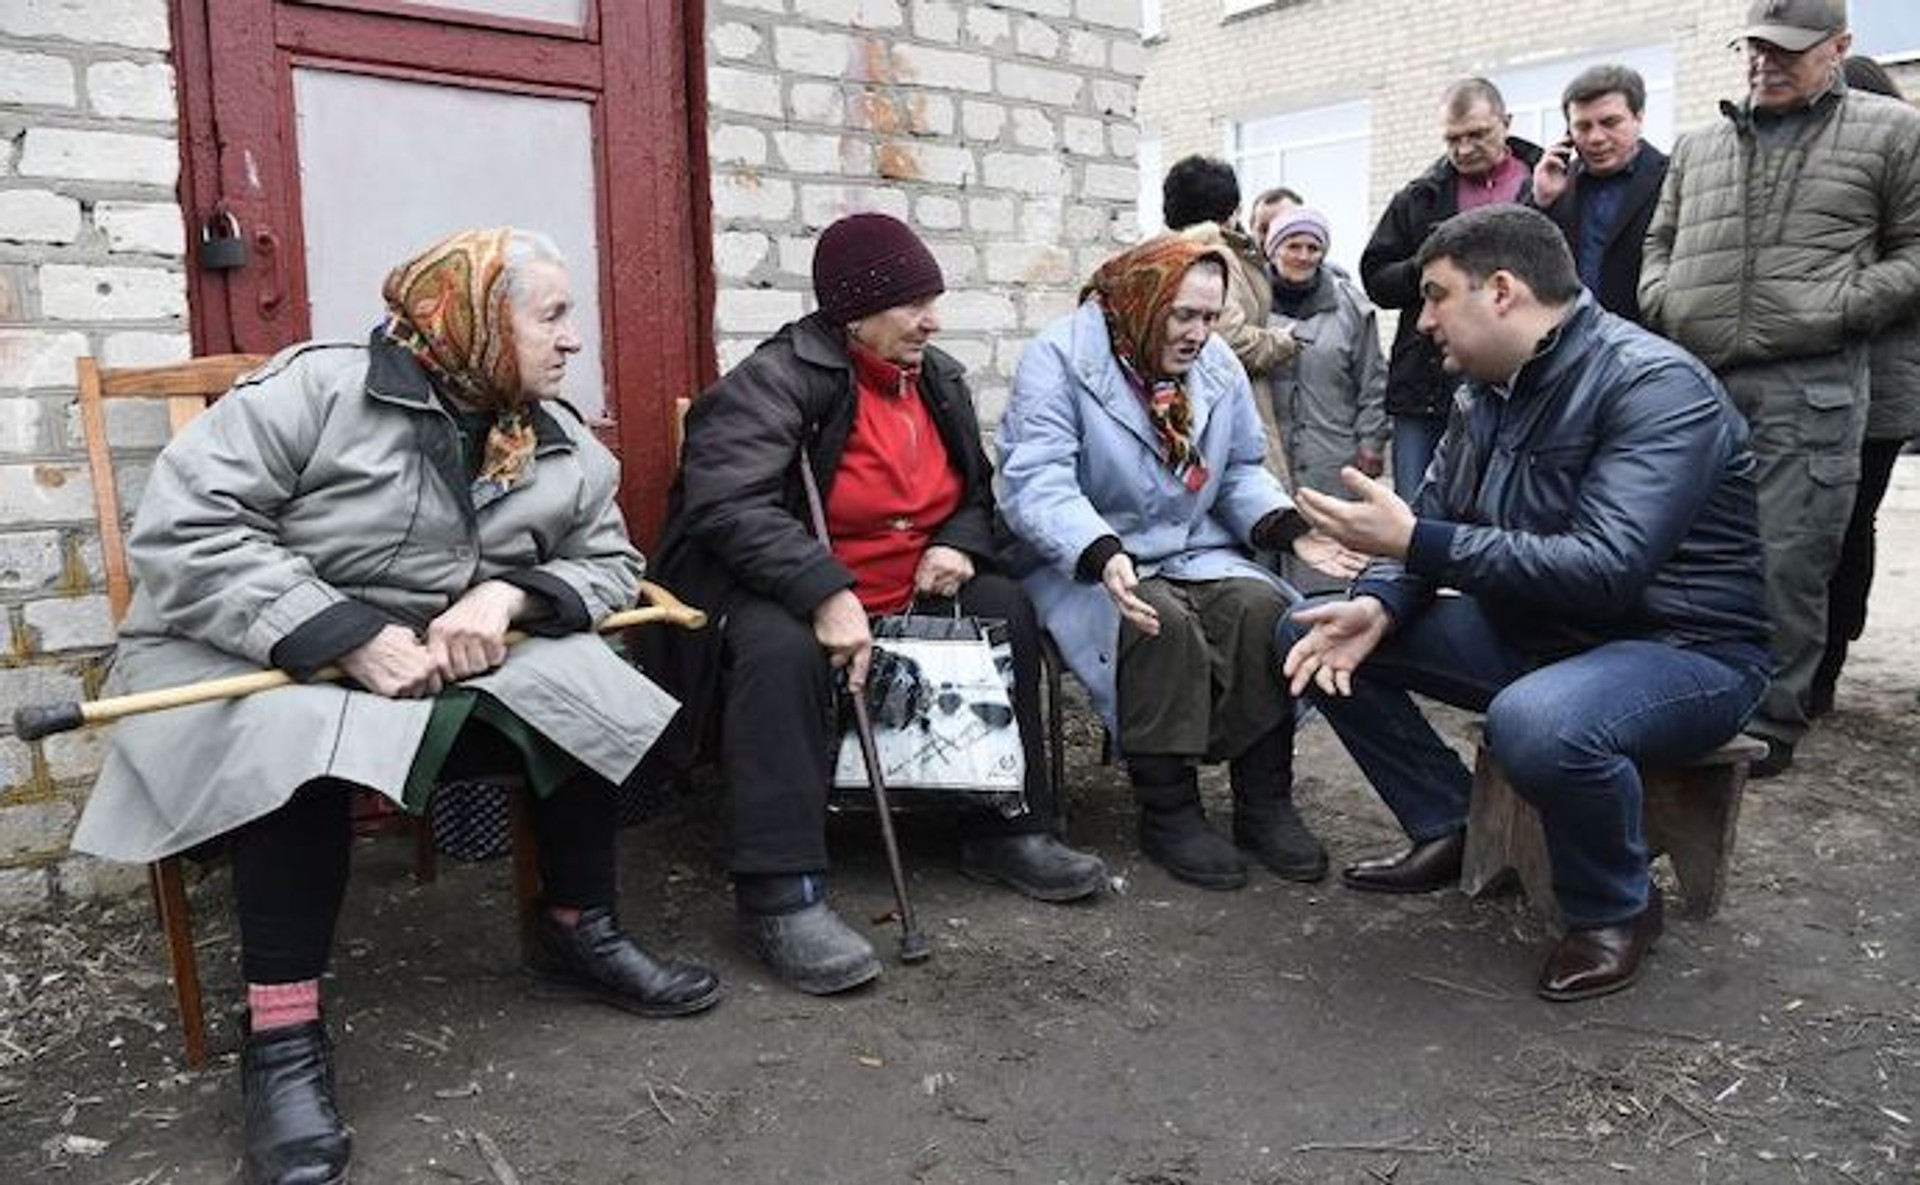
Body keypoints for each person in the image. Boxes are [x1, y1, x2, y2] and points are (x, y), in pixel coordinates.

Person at [70, 228, 721, 1185]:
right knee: (300, 741)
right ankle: (283, 1035)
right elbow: (191, 530)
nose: (574, 339)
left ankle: (578, 928)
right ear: (469, 319)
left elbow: (610, 560)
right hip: (257, 653)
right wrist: (339, 631)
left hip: (438, 666)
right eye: (551, 315)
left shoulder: (553, 435)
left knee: (588, 681)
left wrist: (513, 597)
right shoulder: (315, 391)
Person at [1280, 205, 1770, 1002]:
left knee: (1539, 722)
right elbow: (1429, 523)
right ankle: (1450, 824)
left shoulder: (1656, 385)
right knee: (1310, 634)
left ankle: (1616, 907)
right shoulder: (1484, 394)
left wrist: (1413, 548)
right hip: (1542, 631)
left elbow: (1606, 568)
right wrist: (1379, 602)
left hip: (1685, 650)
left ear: (1501, 290)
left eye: (1437, 296)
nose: (1424, 320)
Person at [639, 212, 1106, 997]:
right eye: (912, 302)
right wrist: (824, 589)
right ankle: (779, 888)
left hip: (908, 578)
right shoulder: (775, 380)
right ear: (854, 309)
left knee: (1006, 603)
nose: (933, 318)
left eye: (934, 298)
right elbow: (727, 506)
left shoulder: (941, 379)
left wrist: (958, 541)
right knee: (779, 646)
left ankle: (1005, 825)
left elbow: (975, 490)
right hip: (778, 584)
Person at [997, 235, 1362, 892]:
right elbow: (1037, 481)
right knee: (1157, 621)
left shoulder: (1215, 364)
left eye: (1210, 316)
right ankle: (1169, 811)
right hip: (1085, 555)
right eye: (1183, 315)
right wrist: (1100, 550)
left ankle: (1265, 803)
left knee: (1268, 611)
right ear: (1142, 300)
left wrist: (1289, 528)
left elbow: (1240, 470)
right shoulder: (1061, 357)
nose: (1199, 334)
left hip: (1191, 548)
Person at [1640, 0, 1920, 776]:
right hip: (1699, 379)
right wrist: (1666, 300)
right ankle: (1686, 694)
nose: (1767, 61)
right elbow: (1658, 241)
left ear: (1841, 49)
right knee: (1689, 548)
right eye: (1756, 47)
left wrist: (1838, 308)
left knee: (1789, 557)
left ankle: (1770, 719)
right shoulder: (1698, 145)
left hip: (1813, 382)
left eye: (1788, 51)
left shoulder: (1891, 133)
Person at [1361, 77, 1541, 498]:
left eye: (1477, 134)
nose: (1463, 149)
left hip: (1519, 378)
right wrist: (1426, 265)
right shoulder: (1420, 198)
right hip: (1427, 384)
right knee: (1415, 514)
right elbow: (1376, 278)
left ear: (1506, 122)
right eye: (1452, 139)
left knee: (1499, 508)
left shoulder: (1545, 184)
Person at [1812, 56, 1920, 716]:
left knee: (1847, 524)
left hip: (1879, 387)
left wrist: (1838, 294)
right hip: (1825, 379)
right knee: (1820, 524)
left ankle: (1827, 660)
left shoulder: (1899, 164)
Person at [1262, 207, 1388, 593]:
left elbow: (1373, 379)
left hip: (1332, 452)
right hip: (1269, 452)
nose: (1303, 255)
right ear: (1272, 249)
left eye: (1313, 247)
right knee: (1268, 551)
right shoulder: (1251, 304)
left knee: (1329, 560)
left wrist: (1371, 441)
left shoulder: (1350, 306)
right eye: (1292, 245)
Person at [1161, 155, 1299, 478]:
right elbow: (1225, 338)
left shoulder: (1163, 253)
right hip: (1227, 401)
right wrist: (1283, 341)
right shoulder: (1214, 255)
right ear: (1231, 209)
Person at [1528, 64, 1669, 323]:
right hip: (1573, 343)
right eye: (1582, 127)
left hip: (1648, 340)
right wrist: (1542, 202)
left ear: (1639, 118)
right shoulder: (1555, 185)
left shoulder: (1671, 179)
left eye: (1609, 123)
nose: (1595, 138)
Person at [1248, 184, 1306, 256]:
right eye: (1264, 230)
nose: (1271, 238)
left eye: (1282, 229)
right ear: (1252, 228)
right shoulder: (1235, 264)